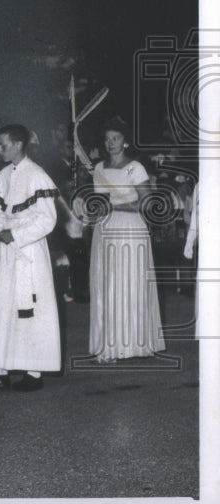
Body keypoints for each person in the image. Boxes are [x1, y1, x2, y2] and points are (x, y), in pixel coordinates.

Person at [0, 124, 60, 392]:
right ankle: (0, 367)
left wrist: (16, 236)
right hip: (8, 250)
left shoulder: (38, 175)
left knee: (30, 309)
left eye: (3, 145)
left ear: (19, 145)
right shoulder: (4, 175)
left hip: (29, 251)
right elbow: (1, 212)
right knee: (5, 307)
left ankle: (33, 371)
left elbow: (47, 219)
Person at [88, 118, 165, 362]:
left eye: (116, 138)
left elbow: (148, 203)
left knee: (127, 283)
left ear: (125, 141)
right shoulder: (99, 168)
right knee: (106, 284)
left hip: (130, 231)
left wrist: (114, 205)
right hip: (105, 229)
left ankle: (132, 343)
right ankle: (108, 344)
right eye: (107, 138)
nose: (111, 143)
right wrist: (93, 209)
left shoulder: (134, 167)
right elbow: (99, 202)